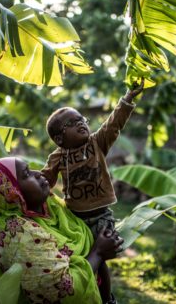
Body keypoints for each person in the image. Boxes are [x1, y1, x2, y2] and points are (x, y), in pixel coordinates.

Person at [41, 80, 144, 302]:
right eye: (72, 122)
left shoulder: (97, 143)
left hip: (100, 215)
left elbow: (113, 124)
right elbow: (45, 182)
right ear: (59, 138)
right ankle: (88, 293)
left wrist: (127, 99)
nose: (81, 124)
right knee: (84, 258)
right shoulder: (57, 157)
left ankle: (107, 299)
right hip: (75, 218)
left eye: (82, 119)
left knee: (102, 259)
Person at [0, 157, 124, 304]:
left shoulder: (52, 207)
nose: (38, 173)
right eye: (27, 174)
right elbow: (62, 290)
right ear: (11, 193)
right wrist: (98, 253)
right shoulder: (17, 234)